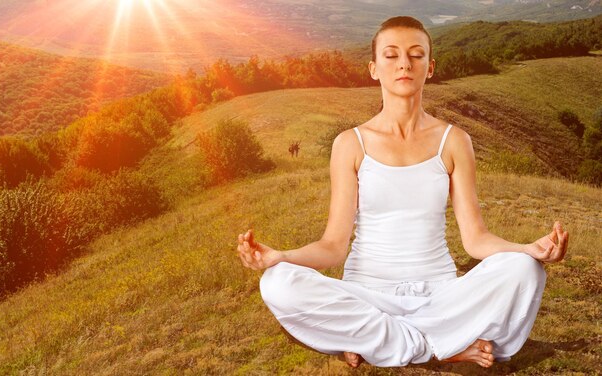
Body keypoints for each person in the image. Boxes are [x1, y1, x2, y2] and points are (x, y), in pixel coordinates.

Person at [235, 15, 569, 369]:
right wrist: (280, 257)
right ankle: (439, 346)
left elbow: (476, 240)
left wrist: (528, 249)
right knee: (278, 282)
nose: (404, 64)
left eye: (416, 54)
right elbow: (333, 247)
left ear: (430, 67)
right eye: (391, 55)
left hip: (439, 295)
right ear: (374, 68)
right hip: (368, 293)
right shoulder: (350, 143)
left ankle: (377, 340)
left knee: (526, 271)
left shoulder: (454, 141)